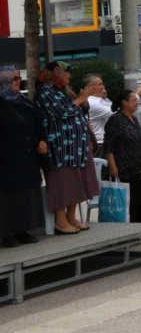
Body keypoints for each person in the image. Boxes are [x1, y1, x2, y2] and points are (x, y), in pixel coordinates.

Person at [34, 61, 100, 234]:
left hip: (74, 146)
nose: (70, 76)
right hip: (59, 146)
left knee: (76, 181)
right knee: (62, 181)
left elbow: (77, 110)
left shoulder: (61, 90)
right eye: (67, 72)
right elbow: (61, 112)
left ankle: (71, 216)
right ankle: (60, 220)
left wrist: (83, 103)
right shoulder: (44, 91)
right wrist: (80, 99)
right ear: (56, 73)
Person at [0, 66, 47, 247]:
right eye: (14, 79)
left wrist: (42, 140)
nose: (19, 81)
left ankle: (23, 230)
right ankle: (7, 233)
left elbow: (39, 123)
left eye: (19, 78)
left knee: (28, 195)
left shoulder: (25, 102)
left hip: (28, 157)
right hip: (8, 159)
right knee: (10, 197)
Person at [105, 89, 141, 224]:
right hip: (125, 168)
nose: (137, 102)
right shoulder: (115, 120)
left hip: (140, 167)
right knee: (132, 200)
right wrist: (112, 166)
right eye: (134, 100)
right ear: (124, 102)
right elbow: (109, 145)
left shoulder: (134, 119)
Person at [83, 73, 112, 157]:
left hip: (103, 142)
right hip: (98, 144)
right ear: (91, 86)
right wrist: (136, 96)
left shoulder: (103, 101)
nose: (103, 87)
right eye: (100, 84)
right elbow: (117, 112)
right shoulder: (91, 103)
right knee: (100, 169)